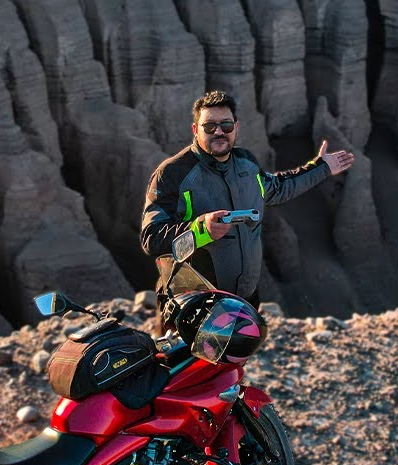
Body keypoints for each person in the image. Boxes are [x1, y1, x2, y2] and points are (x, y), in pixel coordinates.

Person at [140, 90, 354, 309]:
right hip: (196, 306)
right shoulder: (172, 174)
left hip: (245, 301)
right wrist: (200, 230)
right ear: (196, 130)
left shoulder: (246, 163)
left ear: (236, 128)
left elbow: (279, 188)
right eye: (210, 126)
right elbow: (151, 238)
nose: (219, 132)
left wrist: (322, 167)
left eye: (226, 125)